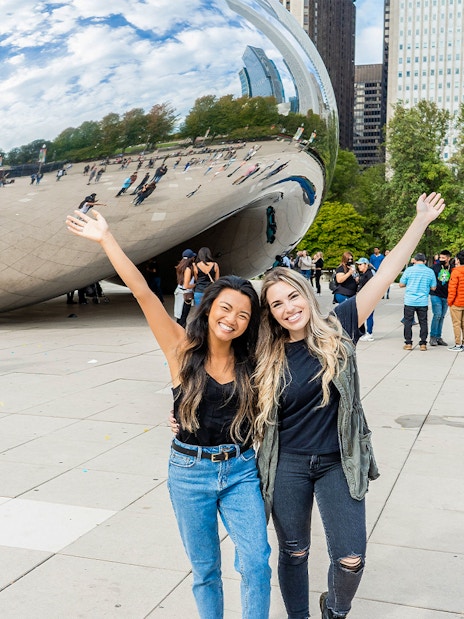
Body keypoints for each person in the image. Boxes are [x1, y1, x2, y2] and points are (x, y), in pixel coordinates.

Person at [65, 209, 271, 619]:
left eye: (243, 315)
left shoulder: (255, 361)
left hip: (241, 470)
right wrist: (107, 238)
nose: (232, 319)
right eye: (226, 309)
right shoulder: (181, 349)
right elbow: (142, 292)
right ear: (210, 308)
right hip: (189, 472)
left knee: (256, 564)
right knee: (206, 570)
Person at [254, 192, 445, 619]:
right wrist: (184, 415)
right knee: (295, 551)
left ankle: (335, 610)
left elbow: (387, 271)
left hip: (339, 460)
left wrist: (420, 221)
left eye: (293, 297)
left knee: (350, 557)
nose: (289, 309)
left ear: (307, 293)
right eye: (277, 304)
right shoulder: (264, 354)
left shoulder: (339, 326)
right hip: (285, 463)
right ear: (269, 313)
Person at [399, 252, 437, 351]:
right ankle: (423, 344)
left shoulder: (409, 270)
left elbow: (401, 284)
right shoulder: (430, 272)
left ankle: (408, 343)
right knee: (423, 322)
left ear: (415, 260)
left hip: (410, 301)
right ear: (424, 261)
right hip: (422, 301)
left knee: (408, 322)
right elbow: (433, 287)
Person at [429, 250, 452, 346]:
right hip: (436, 294)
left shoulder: (452, 268)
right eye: (440, 258)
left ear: (448, 258)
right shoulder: (435, 267)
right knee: (437, 315)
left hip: (446, 295)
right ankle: (433, 337)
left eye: (443, 258)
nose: (441, 259)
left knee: (442, 316)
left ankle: (438, 337)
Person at [173, 249, 196, 328]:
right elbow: (186, 285)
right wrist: (196, 284)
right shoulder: (188, 269)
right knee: (183, 316)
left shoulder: (180, 267)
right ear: (191, 258)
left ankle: (177, 333)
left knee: (179, 316)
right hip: (185, 295)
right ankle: (181, 335)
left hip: (179, 292)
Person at [447, 249, 464, 351]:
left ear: (458, 260)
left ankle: (458, 344)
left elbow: (452, 289)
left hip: (457, 303)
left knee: (456, 324)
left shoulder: (456, 272)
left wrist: (450, 301)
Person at [356, 257, 375, 341]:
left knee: (369, 315)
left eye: (360, 264)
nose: (359, 266)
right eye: (358, 265)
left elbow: (372, 285)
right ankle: (364, 332)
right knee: (364, 315)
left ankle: (369, 333)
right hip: (364, 297)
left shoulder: (370, 273)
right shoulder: (364, 273)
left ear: (366, 265)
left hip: (369, 297)